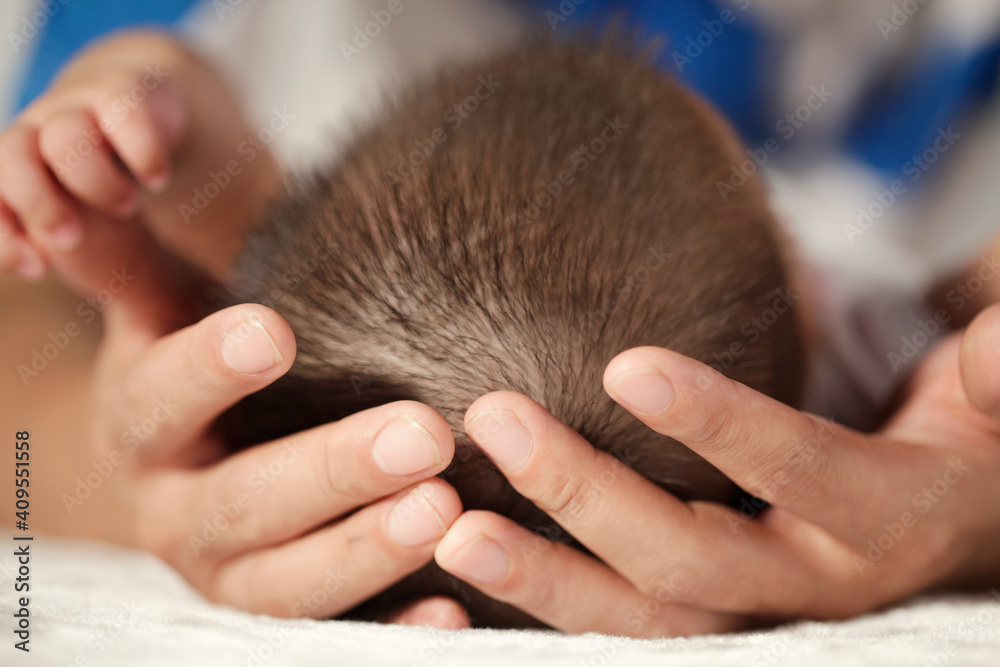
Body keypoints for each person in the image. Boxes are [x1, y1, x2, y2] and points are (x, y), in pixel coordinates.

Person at [2, 6, 999, 635]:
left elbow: (216, 169)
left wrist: (127, 95)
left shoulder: (310, 116)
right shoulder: (868, 398)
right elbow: (960, 332)